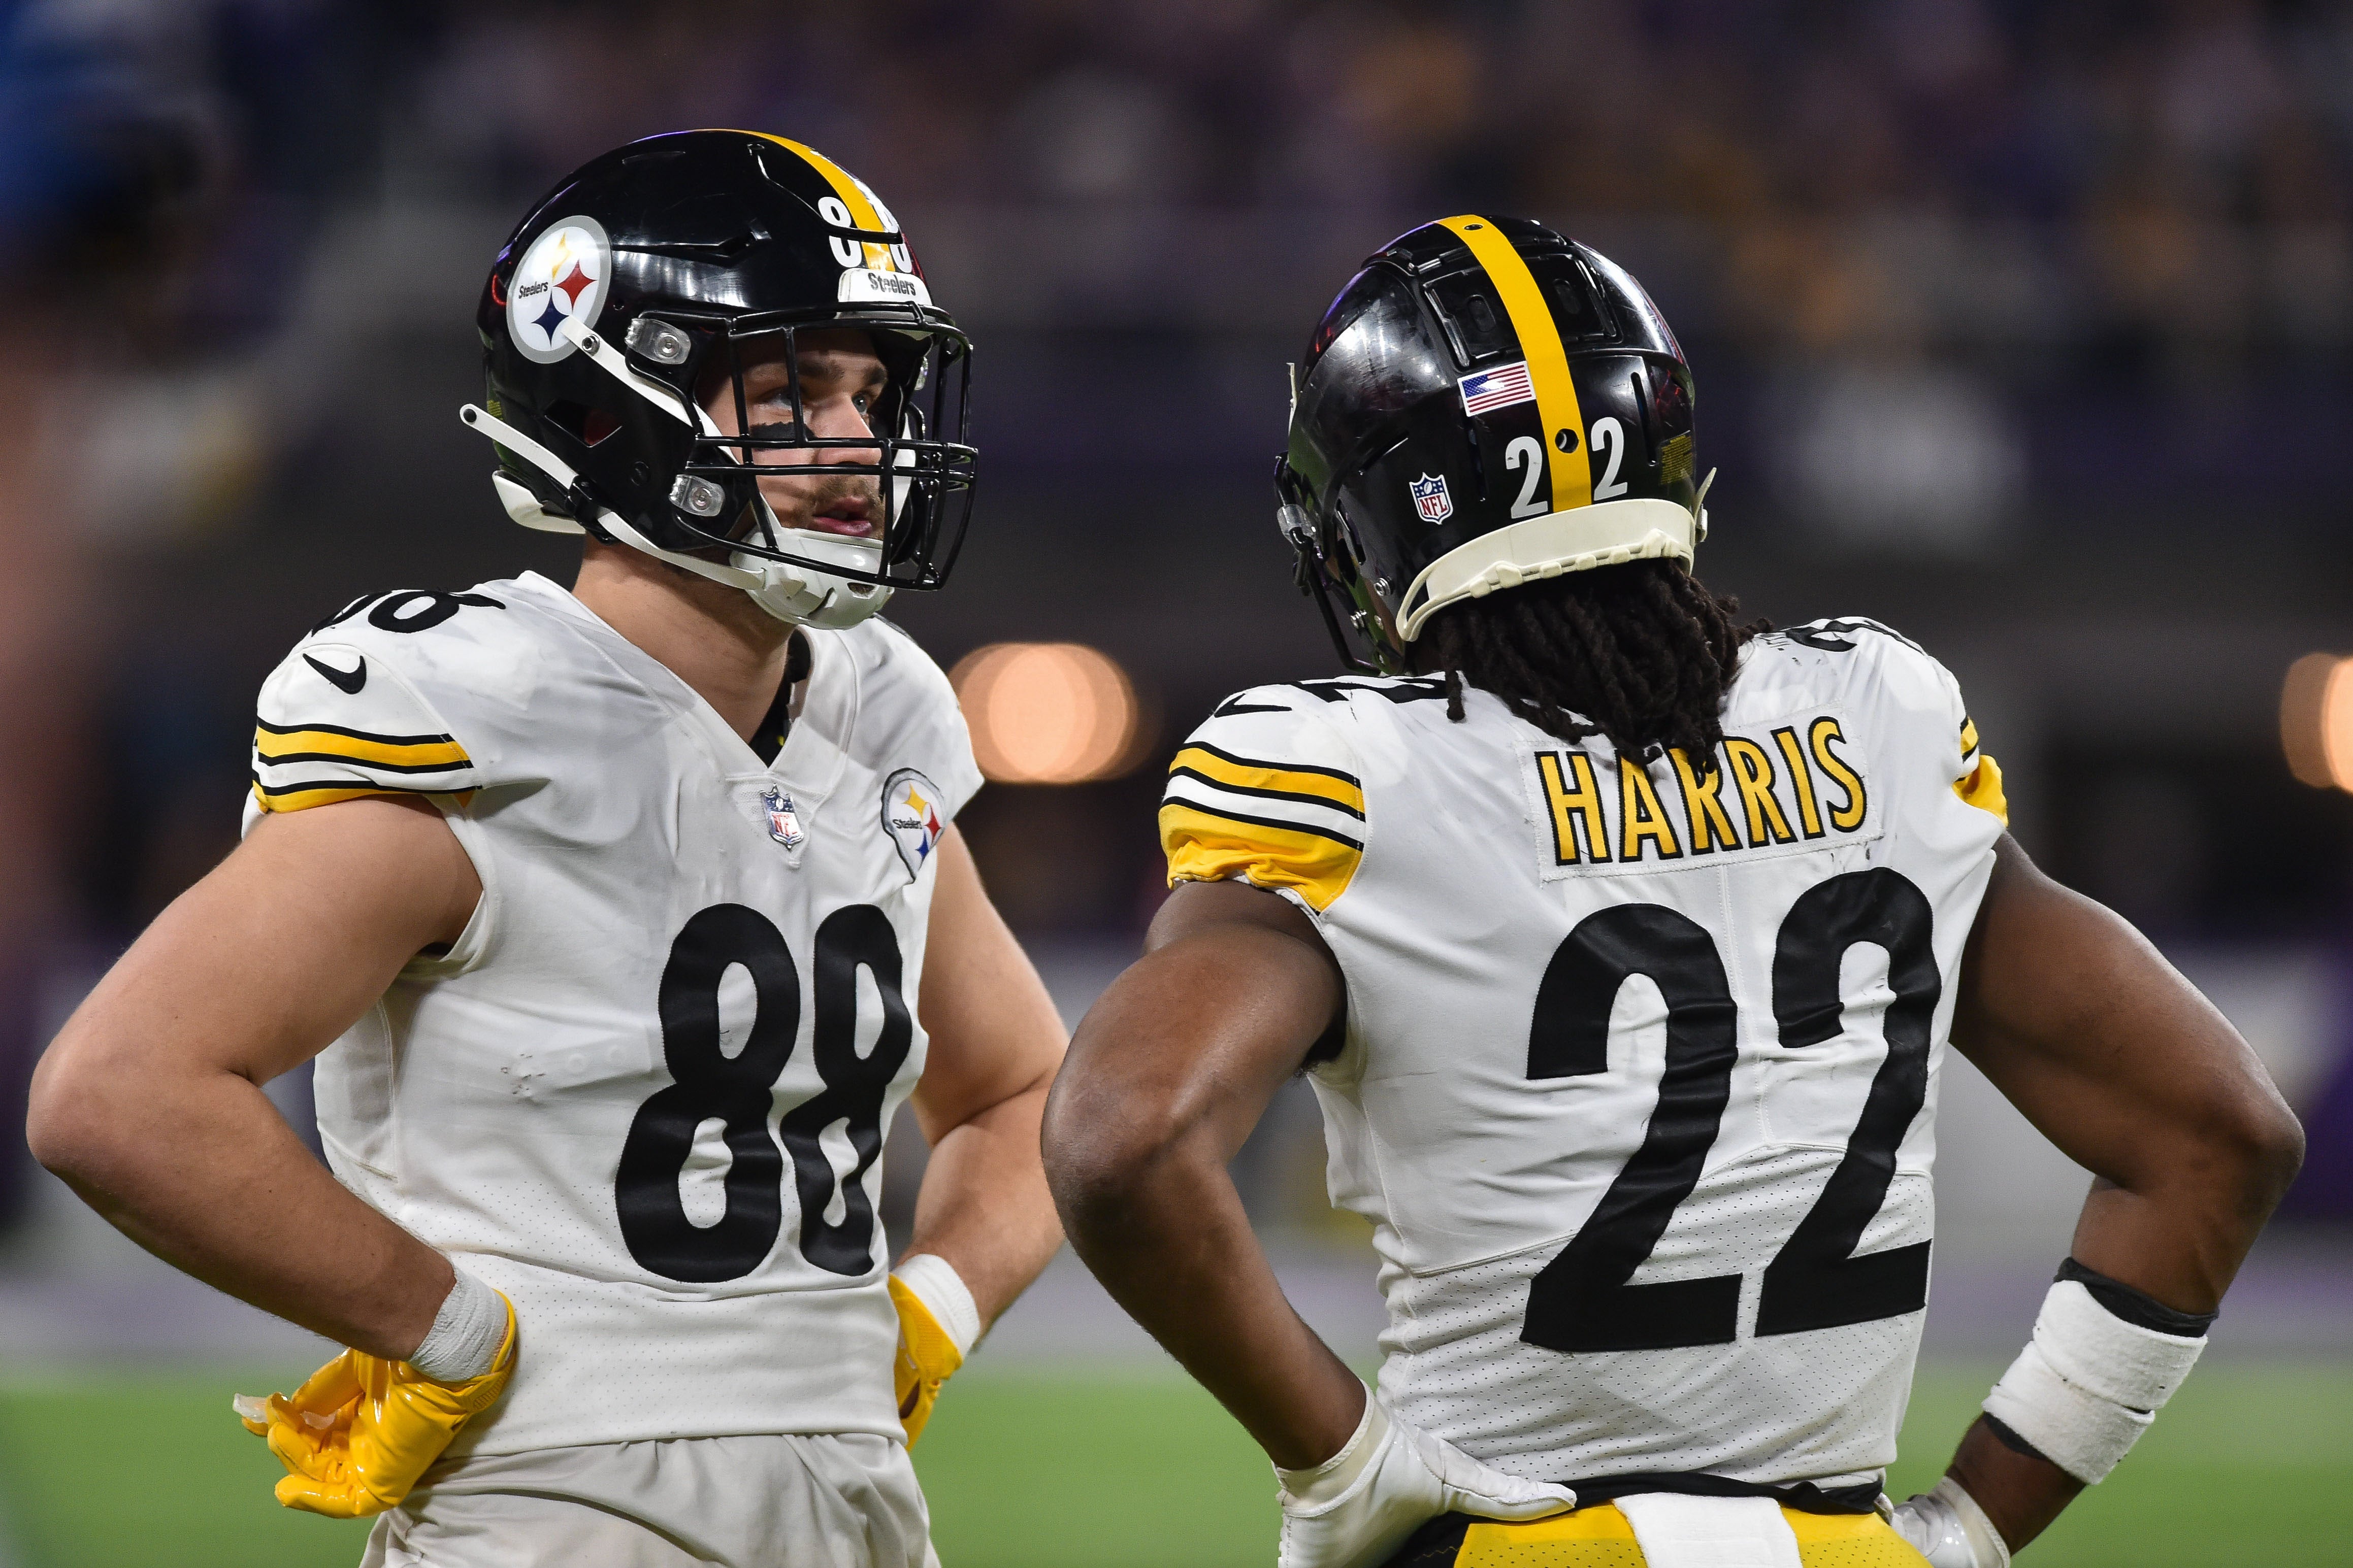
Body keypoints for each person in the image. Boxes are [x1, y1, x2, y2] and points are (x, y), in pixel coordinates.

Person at [1041, 216, 2305, 1568]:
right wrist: (1970, 1531)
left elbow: (1123, 1134)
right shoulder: (1870, 716)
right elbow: (2215, 1132)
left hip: (1507, 1546)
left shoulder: (1349, 771)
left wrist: (1340, 1461)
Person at [27, 130, 1067, 1568]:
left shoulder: (879, 706)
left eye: (870, 392)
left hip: (852, 1499)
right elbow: (117, 1092)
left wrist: (931, 1307)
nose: (857, 445)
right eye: (789, 389)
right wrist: (446, 1326)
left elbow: (1023, 1089)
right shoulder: (488, 713)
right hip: (557, 1509)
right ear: (615, 400)